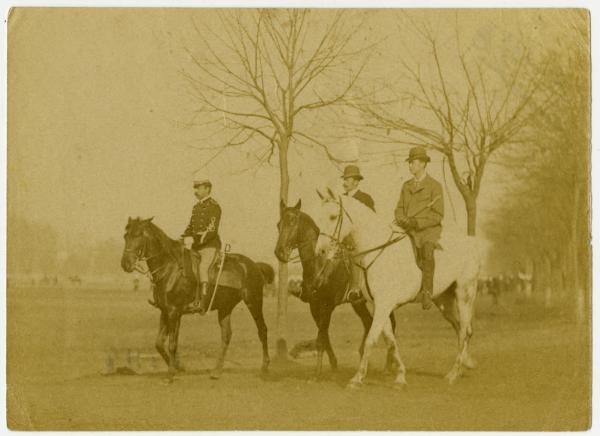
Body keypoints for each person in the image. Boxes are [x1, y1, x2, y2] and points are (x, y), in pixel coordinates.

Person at [394, 147, 444, 310]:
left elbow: (437, 215)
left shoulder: (435, 186)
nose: (410, 166)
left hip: (427, 231)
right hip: (408, 229)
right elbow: (399, 208)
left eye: (413, 163)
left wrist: (416, 222)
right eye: (409, 163)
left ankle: (427, 292)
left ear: (423, 164)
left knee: (427, 251)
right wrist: (401, 218)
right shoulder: (405, 185)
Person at [182, 178, 222, 314]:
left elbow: (212, 229)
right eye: (196, 188)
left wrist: (196, 241)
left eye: (199, 188)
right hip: (195, 245)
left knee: (202, 268)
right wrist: (184, 236)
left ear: (207, 189)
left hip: (209, 245)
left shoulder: (214, 206)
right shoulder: (196, 207)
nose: (196, 191)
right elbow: (191, 226)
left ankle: (202, 302)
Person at [341, 165, 375, 302]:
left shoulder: (365, 198)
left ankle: (356, 288)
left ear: (356, 181)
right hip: (343, 240)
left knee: (355, 256)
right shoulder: (340, 198)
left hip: (360, 241)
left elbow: (372, 222)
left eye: (347, 179)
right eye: (344, 179)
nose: (344, 182)